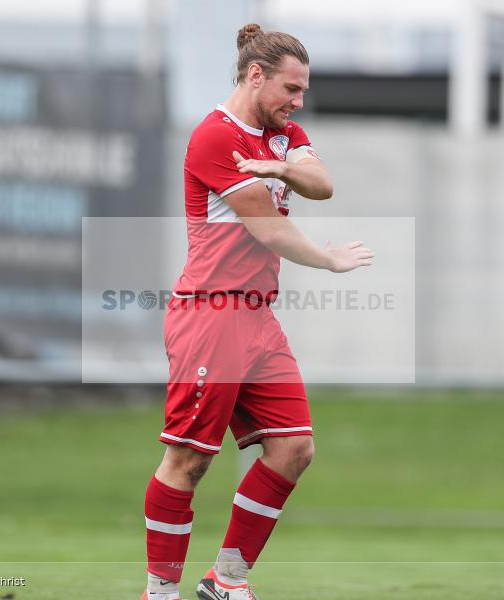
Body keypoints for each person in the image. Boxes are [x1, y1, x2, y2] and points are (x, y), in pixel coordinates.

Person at [140, 23, 373, 600]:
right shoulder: (215, 138)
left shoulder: (283, 134)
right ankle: (159, 593)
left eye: (303, 92)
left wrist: (283, 167)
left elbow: (322, 184)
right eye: (290, 89)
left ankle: (226, 579)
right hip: (210, 314)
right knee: (189, 460)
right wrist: (327, 260)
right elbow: (269, 230)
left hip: (256, 318)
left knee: (294, 448)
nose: (298, 102)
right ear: (254, 75)